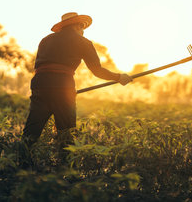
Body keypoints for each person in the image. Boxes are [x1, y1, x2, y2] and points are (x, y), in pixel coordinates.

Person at [21, 12, 132, 154]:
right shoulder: (83, 42)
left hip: (39, 85)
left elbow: (39, 67)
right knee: (66, 132)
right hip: (63, 86)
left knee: (31, 131)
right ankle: (65, 170)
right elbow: (97, 71)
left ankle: (20, 163)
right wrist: (119, 77)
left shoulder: (45, 40)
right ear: (78, 25)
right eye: (82, 28)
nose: (83, 31)